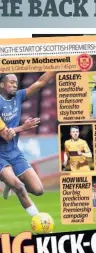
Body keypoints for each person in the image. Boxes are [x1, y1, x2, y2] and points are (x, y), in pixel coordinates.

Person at [0, 72, 56, 217]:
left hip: (13, 151)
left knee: (38, 190)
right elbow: (6, 135)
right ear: (1, 85)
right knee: (19, 187)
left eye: (16, 82)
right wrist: (23, 128)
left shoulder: (18, 96)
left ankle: (9, 180)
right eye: (11, 82)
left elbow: (40, 82)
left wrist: (58, 66)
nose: (15, 84)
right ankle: (39, 220)